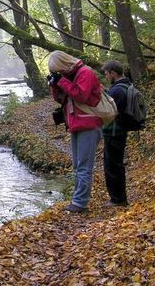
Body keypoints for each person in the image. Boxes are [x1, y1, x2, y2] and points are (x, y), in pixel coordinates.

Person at [47, 51, 104, 213]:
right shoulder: (69, 75)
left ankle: (80, 203)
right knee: (78, 166)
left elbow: (82, 95)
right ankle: (78, 200)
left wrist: (62, 81)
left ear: (64, 64)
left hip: (89, 124)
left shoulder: (85, 72)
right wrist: (54, 85)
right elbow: (61, 99)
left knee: (84, 167)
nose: (60, 73)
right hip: (76, 124)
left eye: (59, 70)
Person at [101, 60, 130, 207]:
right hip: (120, 130)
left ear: (113, 73)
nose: (106, 76)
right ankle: (119, 198)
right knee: (116, 164)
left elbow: (109, 110)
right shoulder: (126, 85)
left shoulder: (116, 90)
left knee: (112, 166)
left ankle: (117, 199)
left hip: (114, 132)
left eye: (106, 74)